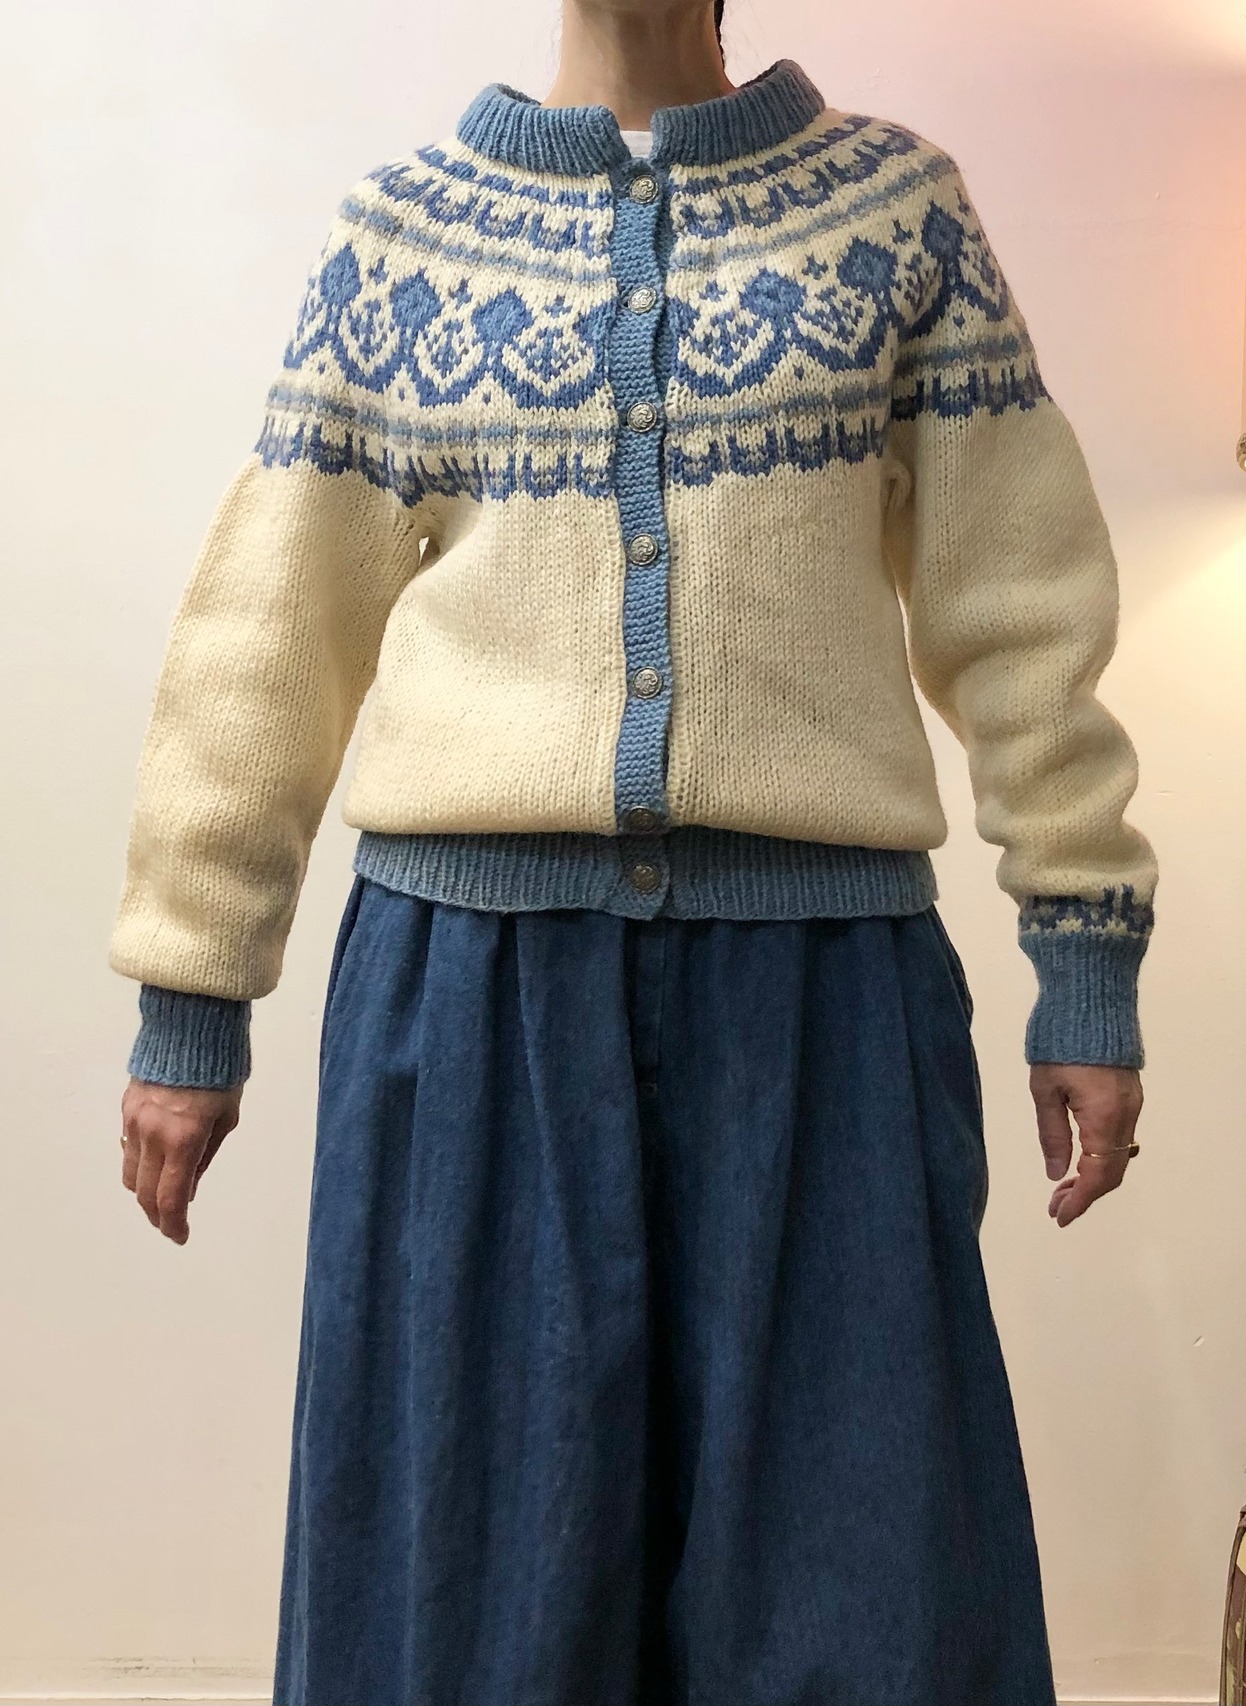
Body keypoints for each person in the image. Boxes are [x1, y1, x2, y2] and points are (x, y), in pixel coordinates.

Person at [108, 1, 1158, 1701]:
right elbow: (267, 636)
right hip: (473, 1006)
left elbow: (1020, 608)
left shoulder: (899, 214)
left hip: (822, 1003)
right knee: (468, 1618)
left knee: (866, 1598)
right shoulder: (405, 236)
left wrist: (1084, 952)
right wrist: (191, 992)